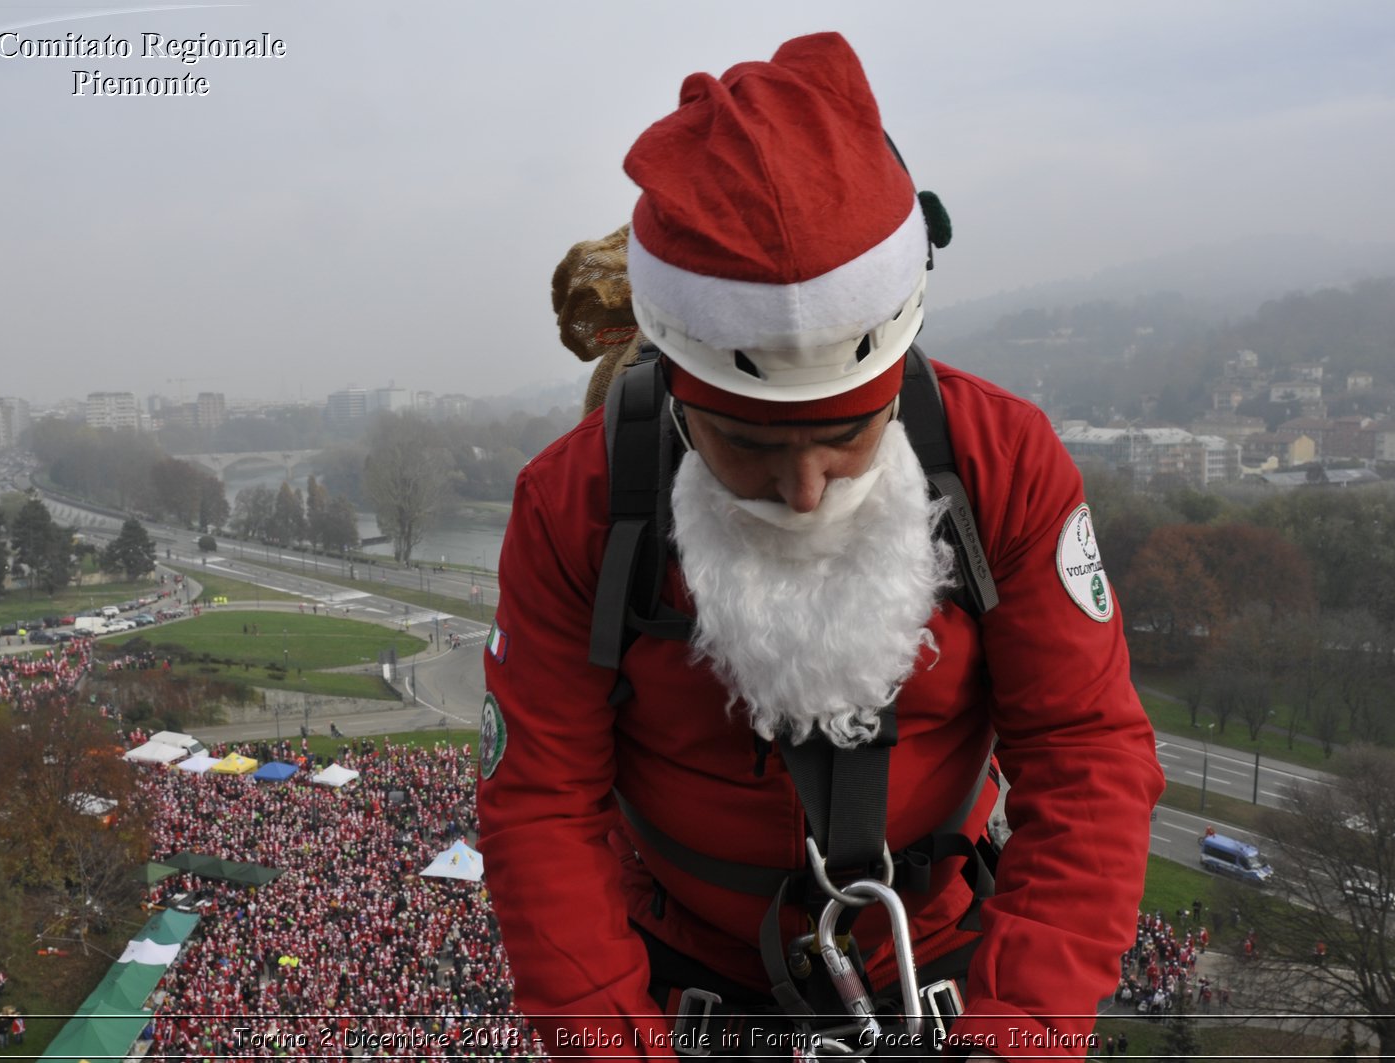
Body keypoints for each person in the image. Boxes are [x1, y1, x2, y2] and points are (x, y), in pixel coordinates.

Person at [477, 31, 1162, 1061]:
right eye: (750, 444)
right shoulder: (573, 506)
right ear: (676, 396)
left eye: (847, 435)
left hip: (943, 973)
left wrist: (1018, 1034)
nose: (804, 493)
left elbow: (1085, 759)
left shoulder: (1001, 464)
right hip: (683, 993)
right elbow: (540, 804)